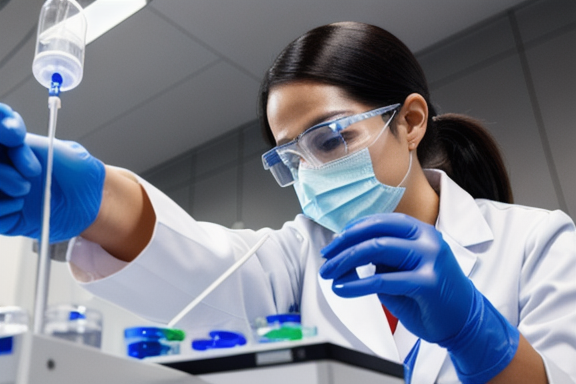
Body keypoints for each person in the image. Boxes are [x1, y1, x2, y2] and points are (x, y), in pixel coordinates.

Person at [1, 21, 575, 383]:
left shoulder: (537, 242)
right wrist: (97, 201)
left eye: (331, 138)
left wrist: (476, 334)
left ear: (411, 120)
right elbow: (205, 262)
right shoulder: (301, 258)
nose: (313, 172)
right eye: (291, 157)